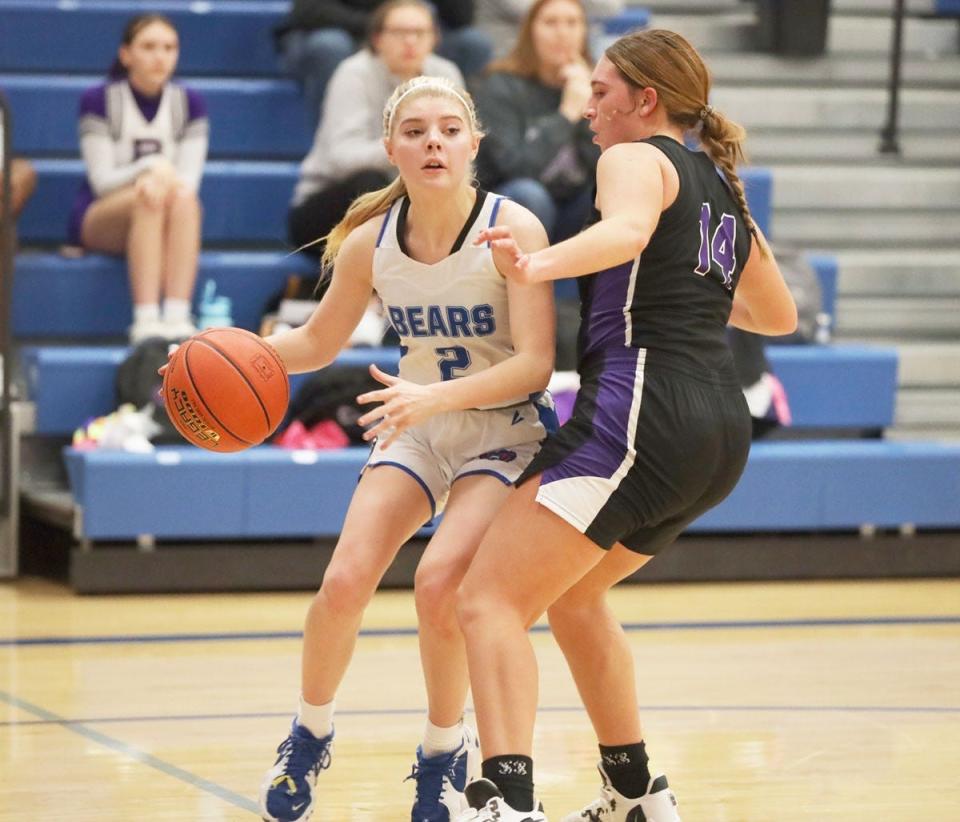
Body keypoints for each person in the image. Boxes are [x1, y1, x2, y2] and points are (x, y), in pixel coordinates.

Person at [455, 28, 798, 822]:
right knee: (574, 601)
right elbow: (776, 315)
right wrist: (692, 290)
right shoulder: (720, 186)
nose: (590, 108)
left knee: (488, 599)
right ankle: (635, 794)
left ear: (646, 101)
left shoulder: (634, 158)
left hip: (643, 411)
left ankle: (506, 803)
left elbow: (629, 233)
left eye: (603, 92)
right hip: (717, 431)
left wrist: (535, 266)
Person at [257, 75, 557, 822]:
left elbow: (536, 364)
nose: (433, 142)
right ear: (391, 147)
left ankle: (440, 753)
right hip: (421, 424)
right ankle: (309, 734)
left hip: (505, 429)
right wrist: (222, 350)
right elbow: (317, 342)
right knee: (344, 582)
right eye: (416, 131)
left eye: (449, 130)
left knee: (437, 588)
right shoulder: (371, 242)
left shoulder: (513, 226)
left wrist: (433, 397)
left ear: (474, 144)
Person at [69, 13, 208, 344]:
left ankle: (177, 315)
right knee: (149, 194)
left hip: (166, 208)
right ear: (126, 54)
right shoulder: (99, 99)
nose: (160, 56)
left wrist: (161, 176)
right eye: (148, 47)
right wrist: (151, 167)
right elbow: (102, 181)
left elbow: (188, 181)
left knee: (184, 198)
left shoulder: (190, 102)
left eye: (169, 47)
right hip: (102, 216)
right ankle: (145, 319)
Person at [288, 0, 464, 258]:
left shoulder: (445, 73)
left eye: (419, 33)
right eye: (399, 33)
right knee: (371, 185)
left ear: (434, 38)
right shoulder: (353, 73)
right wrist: (409, 149)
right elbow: (342, 159)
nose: (410, 41)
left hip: (413, 199)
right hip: (330, 207)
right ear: (377, 38)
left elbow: (458, 149)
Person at [471, 0, 599, 243]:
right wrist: (567, 114)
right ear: (530, 32)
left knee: (608, 192)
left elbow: (602, 163)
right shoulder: (500, 85)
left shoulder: (595, 85)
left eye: (572, 23)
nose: (562, 32)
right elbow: (515, 168)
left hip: (572, 206)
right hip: (514, 200)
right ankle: (526, 277)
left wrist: (587, 104)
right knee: (529, 194)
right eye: (551, 23)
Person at [274, 0, 492, 128]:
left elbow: (462, 15)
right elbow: (309, 10)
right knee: (329, 46)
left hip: (402, 31)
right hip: (340, 32)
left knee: (473, 43)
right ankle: (334, 136)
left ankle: (452, 132)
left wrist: (401, 30)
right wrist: (384, 28)